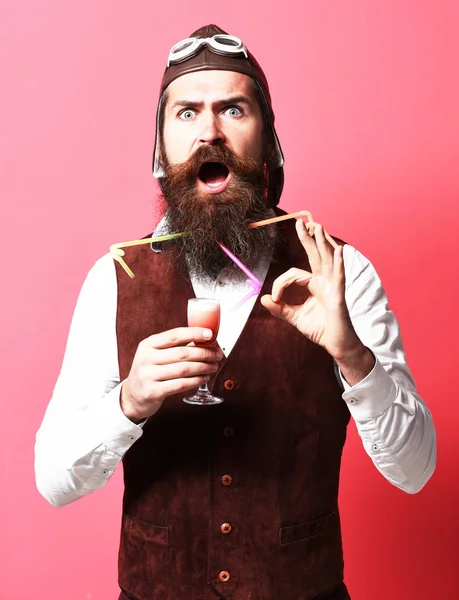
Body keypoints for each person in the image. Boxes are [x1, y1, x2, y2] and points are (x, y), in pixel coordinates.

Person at [35, 24, 436, 600]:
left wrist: (354, 358)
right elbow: (53, 483)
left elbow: (416, 471)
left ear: (267, 138)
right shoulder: (116, 279)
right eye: (187, 113)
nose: (210, 133)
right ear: (161, 147)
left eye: (233, 109)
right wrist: (129, 402)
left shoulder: (340, 271)